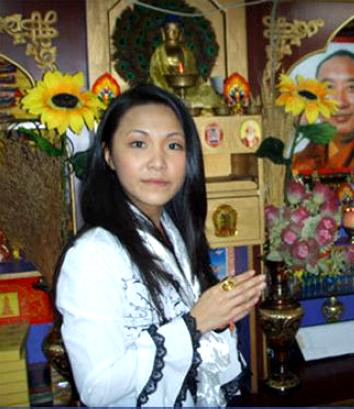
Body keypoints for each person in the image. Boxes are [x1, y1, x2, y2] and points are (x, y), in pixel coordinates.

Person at [55, 84, 266, 407]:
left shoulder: (172, 230)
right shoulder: (92, 255)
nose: (158, 162)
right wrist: (195, 323)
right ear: (109, 155)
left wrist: (221, 312)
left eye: (173, 145)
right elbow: (96, 388)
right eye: (138, 144)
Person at [149, 18, 222, 110]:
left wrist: (200, 86)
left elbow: (194, 74)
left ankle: (184, 103)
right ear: (163, 32)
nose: (173, 33)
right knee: (157, 99)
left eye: (176, 30)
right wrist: (168, 91)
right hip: (165, 90)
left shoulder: (187, 52)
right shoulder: (159, 53)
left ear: (180, 33)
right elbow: (155, 74)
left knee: (210, 95)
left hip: (188, 91)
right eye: (169, 30)